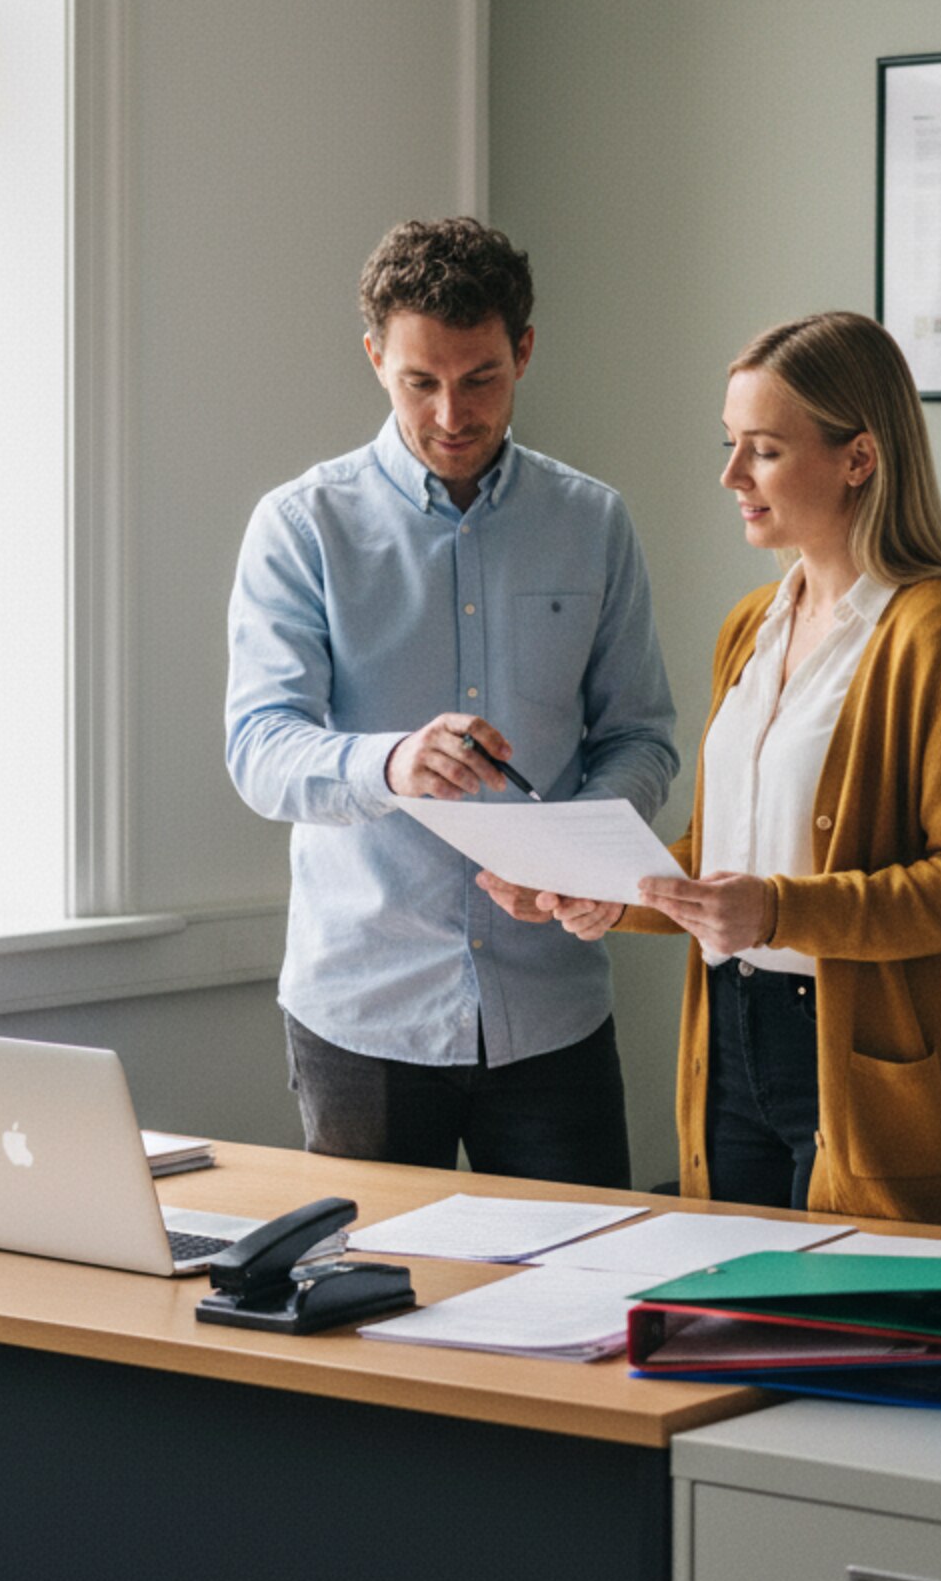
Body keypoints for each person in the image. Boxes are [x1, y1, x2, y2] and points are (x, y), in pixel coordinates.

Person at [488, 311, 941, 1228]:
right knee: (731, 1331)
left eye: (764, 451)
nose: (731, 477)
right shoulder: (751, 626)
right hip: (731, 1043)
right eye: (731, 445)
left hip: (862, 1064)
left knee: (845, 1352)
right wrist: (615, 896)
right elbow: (726, 854)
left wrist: (782, 910)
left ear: (859, 457)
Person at [226, 217, 677, 1188]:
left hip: (553, 1006)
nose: (449, 413)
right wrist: (387, 763)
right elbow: (259, 745)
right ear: (374, 357)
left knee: (585, 1296)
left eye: (480, 378)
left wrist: (598, 854)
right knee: (374, 1314)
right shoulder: (300, 525)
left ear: (522, 350)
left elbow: (638, 734)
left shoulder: (592, 521)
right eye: (418, 380)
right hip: (366, 1007)